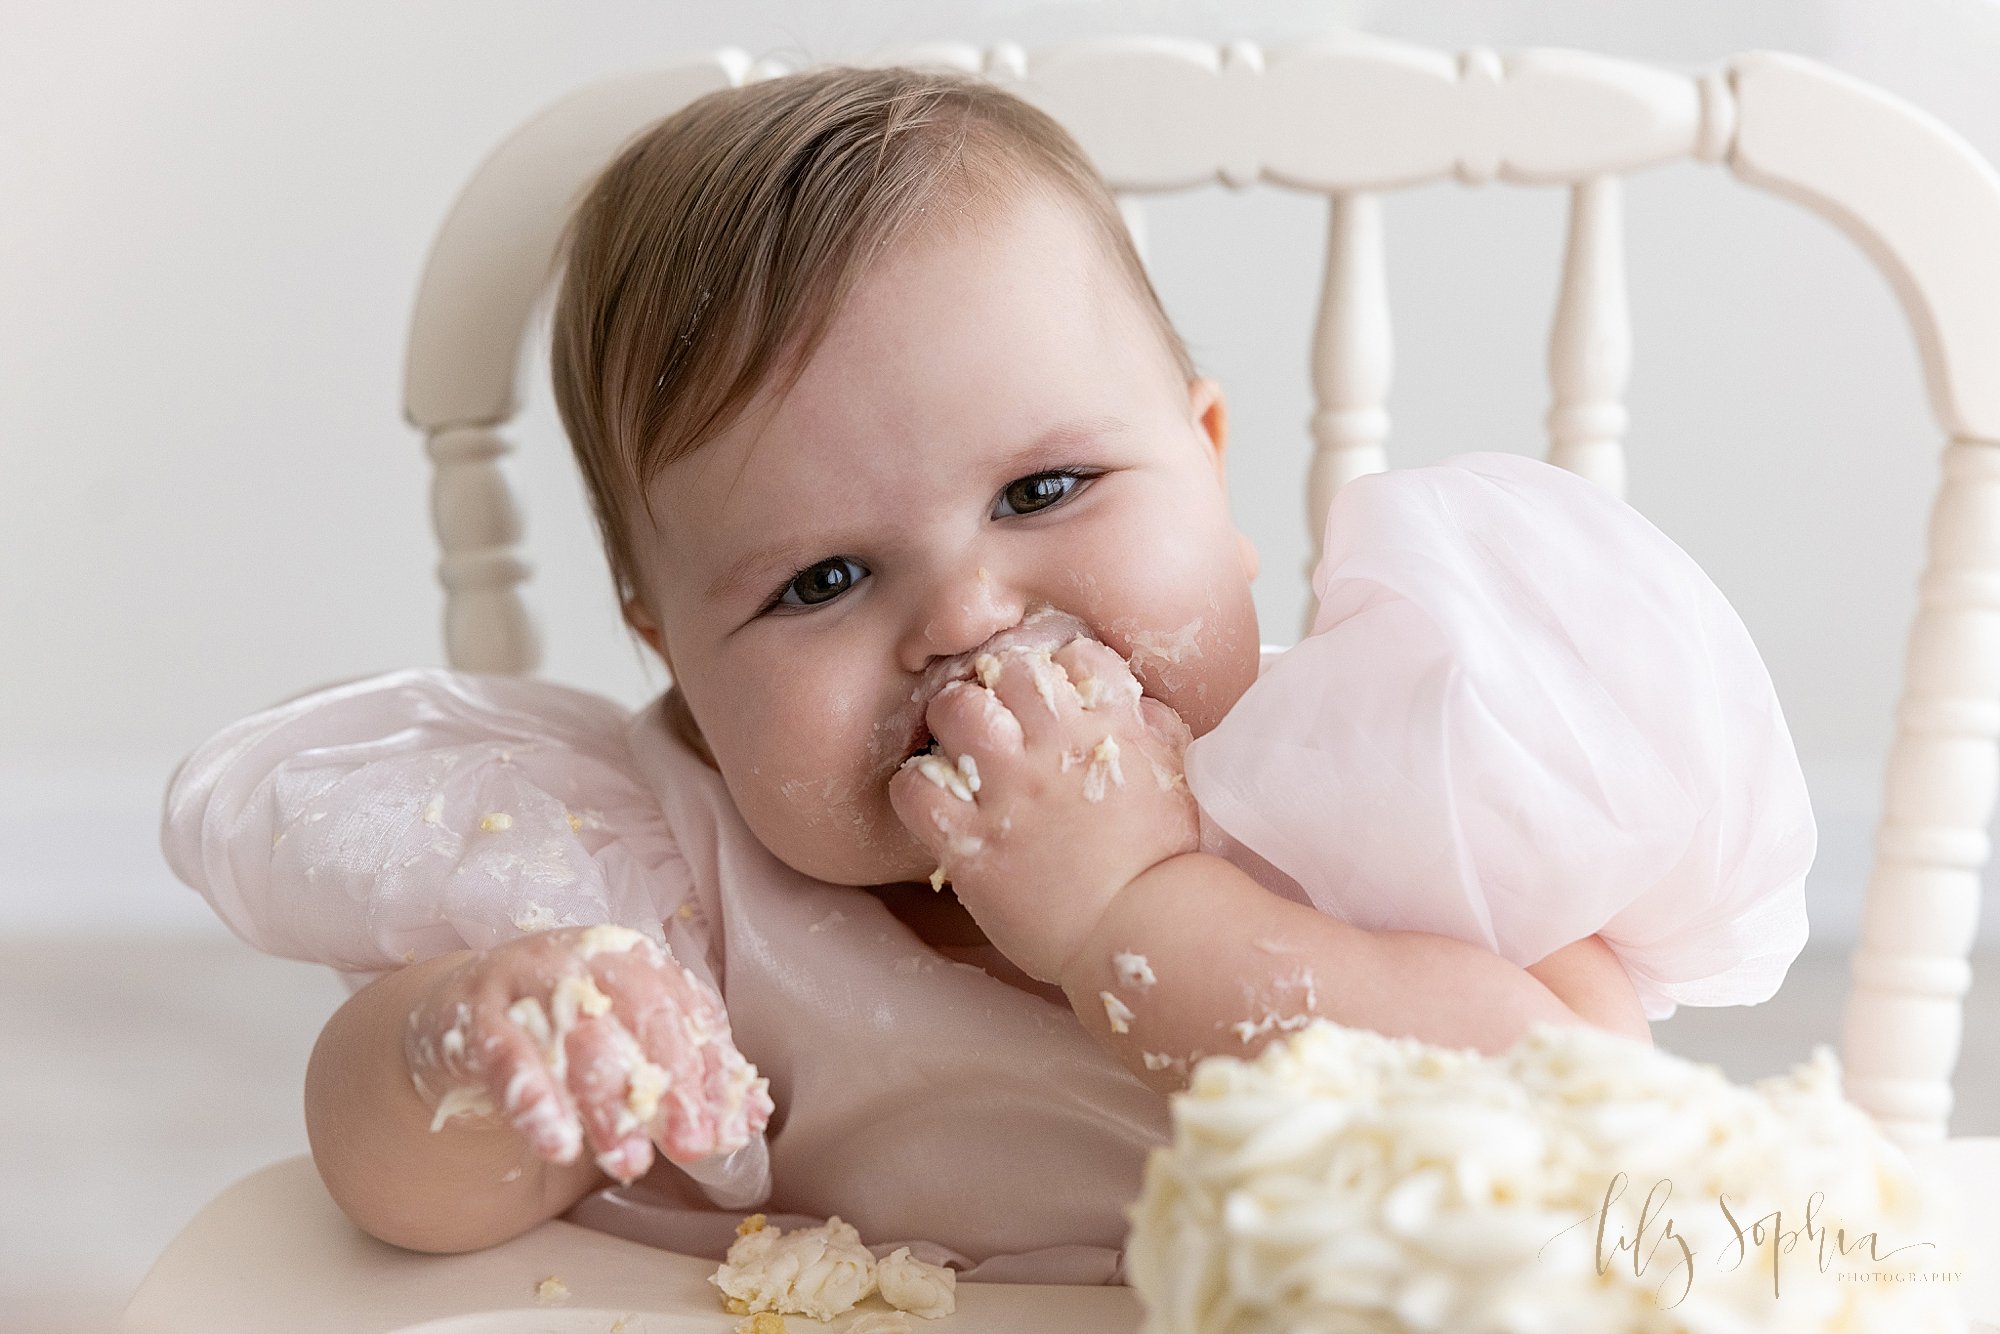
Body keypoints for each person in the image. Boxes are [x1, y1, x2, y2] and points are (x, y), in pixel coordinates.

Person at [162, 65, 1811, 1279]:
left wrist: (1135, 911)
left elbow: (1583, 1130)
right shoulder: (682, 879)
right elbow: (389, 1184)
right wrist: (501, 1047)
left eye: (1044, 491)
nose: (964, 614)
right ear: (666, 640)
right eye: (820, 579)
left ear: (1213, 464)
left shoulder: (1383, 789)